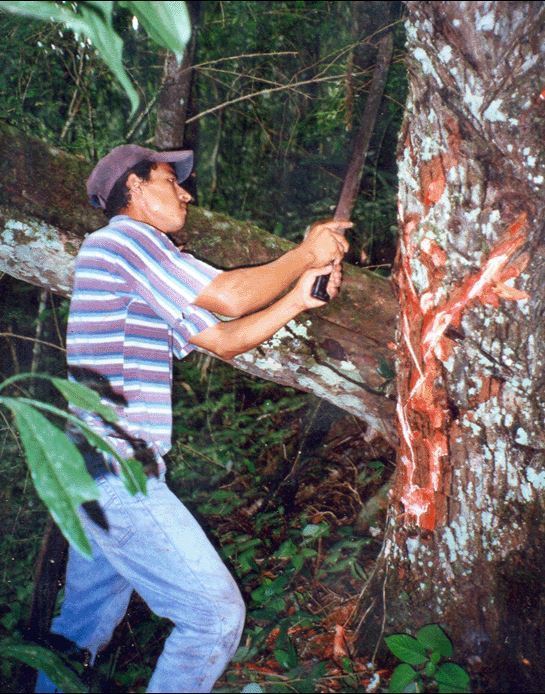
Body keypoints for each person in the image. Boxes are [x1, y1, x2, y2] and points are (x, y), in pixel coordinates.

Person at [35, 144, 350, 693]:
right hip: (115, 470)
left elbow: (224, 339)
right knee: (214, 618)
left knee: (77, 635)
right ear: (133, 189)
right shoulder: (124, 242)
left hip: (90, 471)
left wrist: (297, 300)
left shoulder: (138, 264)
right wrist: (304, 254)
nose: (185, 192)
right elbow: (229, 298)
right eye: (169, 179)